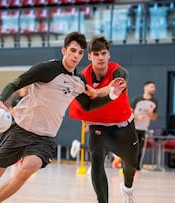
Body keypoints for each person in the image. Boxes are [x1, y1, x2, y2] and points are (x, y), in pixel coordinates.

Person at [0, 32, 126, 203]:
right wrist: (1, 101)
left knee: (25, 172)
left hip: (45, 138)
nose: (76, 56)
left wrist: (111, 95)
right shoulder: (46, 69)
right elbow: (15, 83)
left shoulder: (78, 81)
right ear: (64, 50)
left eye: (80, 52)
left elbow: (89, 105)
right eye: (73, 51)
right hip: (20, 130)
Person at [69, 35, 138, 203]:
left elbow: (116, 85)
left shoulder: (119, 71)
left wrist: (98, 92)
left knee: (131, 164)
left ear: (109, 55)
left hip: (123, 126)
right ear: (89, 56)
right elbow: (82, 103)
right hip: (98, 126)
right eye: (96, 54)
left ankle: (127, 189)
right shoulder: (83, 77)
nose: (100, 57)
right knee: (97, 159)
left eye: (104, 53)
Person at [131, 81, 158, 170]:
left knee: (140, 148)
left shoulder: (154, 102)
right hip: (134, 127)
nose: (154, 89)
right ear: (145, 87)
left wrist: (151, 114)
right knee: (133, 147)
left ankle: (137, 166)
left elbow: (154, 117)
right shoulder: (137, 100)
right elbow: (129, 112)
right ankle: (129, 164)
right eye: (152, 87)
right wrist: (137, 117)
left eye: (154, 87)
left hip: (143, 128)